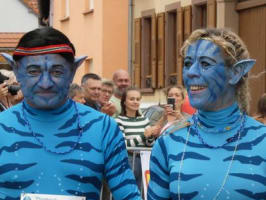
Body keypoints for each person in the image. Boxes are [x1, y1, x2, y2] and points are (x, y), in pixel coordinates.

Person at [0, 27, 141, 200]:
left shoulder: (102, 127)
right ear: (17, 72)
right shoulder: (2, 126)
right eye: (33, 71)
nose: (45, 83)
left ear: (73, 71)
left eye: (57, 72)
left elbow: (127, 195)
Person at [147, 28, 266, 199]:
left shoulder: (262, 141)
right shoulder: (169, 142)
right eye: (188, 63)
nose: (191, 72)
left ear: (235, 73)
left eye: (205, 64)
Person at [115, 87, 153, 190]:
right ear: (124, 102)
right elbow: (123, 144)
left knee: (143, 192)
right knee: (128, 190)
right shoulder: (119, 121)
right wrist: (144, 136)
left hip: (145, 160)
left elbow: (149, 144)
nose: (135, 102)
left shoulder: (144, 120)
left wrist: (151, 136)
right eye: (132, 99)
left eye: (138, 99)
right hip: (128, 160)